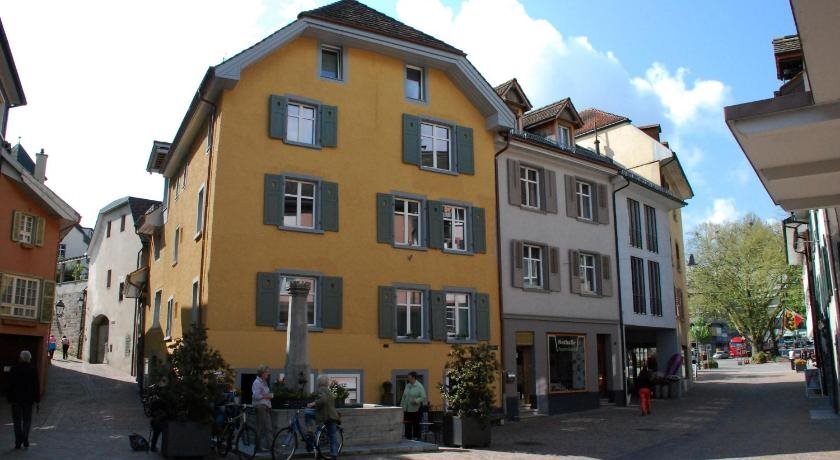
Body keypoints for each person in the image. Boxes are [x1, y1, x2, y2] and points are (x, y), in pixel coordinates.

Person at [7, 350, 40, 449]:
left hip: (16, 399)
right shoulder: (33, 370)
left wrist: (9, 398)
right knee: (27, 420)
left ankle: (18, 441)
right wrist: (37, 400)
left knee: (17, 421)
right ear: (29, 358)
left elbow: (10, 385)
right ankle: (25, 436)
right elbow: (36, 386)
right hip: (28, 400)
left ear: (20, 358)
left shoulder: (14, 369)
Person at [308, 376, 340, 459]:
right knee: (332, 435)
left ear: (319, 382)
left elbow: (323, 399)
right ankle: (334, 454)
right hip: (332, 416)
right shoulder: (328, 390)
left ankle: (309, 430)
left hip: (325, 416)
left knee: (307, 413)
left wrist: (313, 403)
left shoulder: (320, 389)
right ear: (326, 382)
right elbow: (315, 395)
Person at [252, 365, 274, 452]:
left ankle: (267, 447)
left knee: (265, 428)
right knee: (264, 428)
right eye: (267, 372)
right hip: (261, 407)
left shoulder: (264, 382)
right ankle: (263, 447)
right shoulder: (257, 382)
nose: (268, 373)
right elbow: (256, 396)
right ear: (262, 373)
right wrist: (267, 396)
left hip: (265, 407)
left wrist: (268, 397)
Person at [399, 371, 426, 440]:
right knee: (407, 424)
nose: (408, 378)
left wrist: (416, 401)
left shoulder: (419, 386)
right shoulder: (407, 385)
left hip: (415, 409)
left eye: (409, 377)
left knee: (416, 424)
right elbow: (404, 397)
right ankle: (408, 438)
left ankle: (417, 438)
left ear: (413, 377)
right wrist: (401, 407)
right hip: (407, 409)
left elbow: (423, 397)